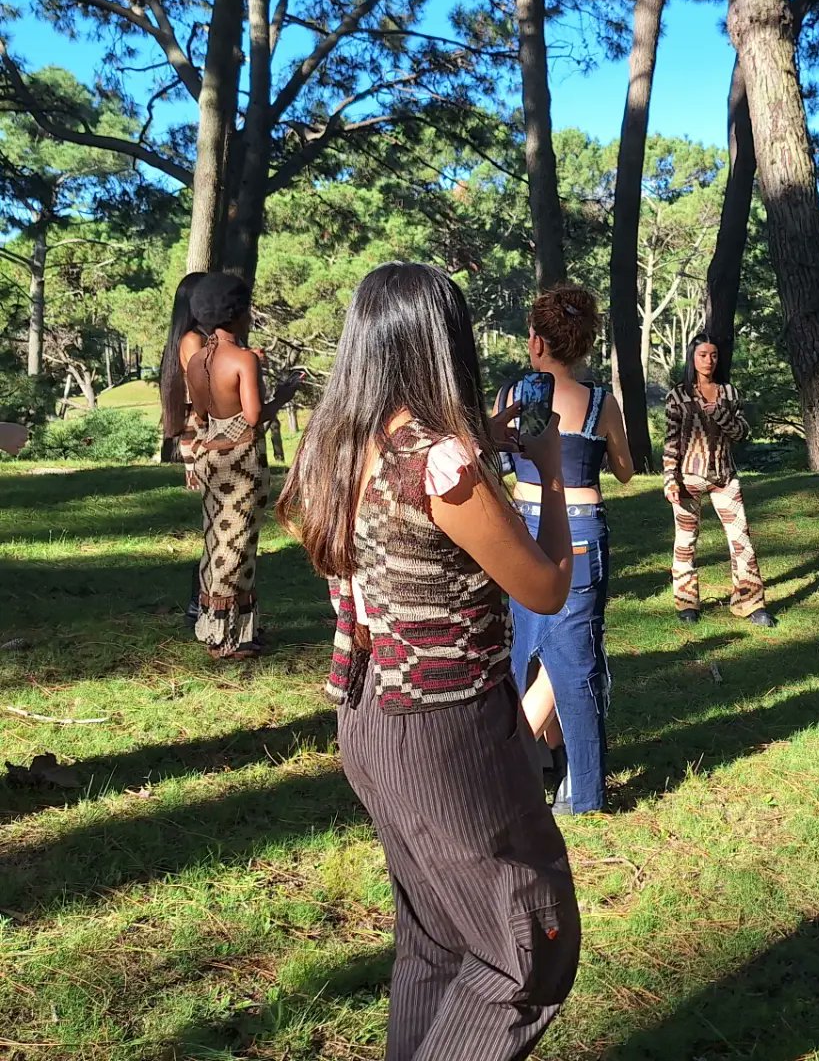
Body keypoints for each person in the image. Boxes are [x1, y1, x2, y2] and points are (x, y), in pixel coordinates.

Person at [277, 262, 580, 1061]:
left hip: (368, 714)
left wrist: (485, 437)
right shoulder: (439, 471)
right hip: (448, 731)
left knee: (439, 941)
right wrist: (547, 474)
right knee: (526, 948)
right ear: (444, 343)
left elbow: (408, 456)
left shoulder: (331, 446)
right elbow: (546, 588)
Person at [495, 285, 634, 816]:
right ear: (582, 345)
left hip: (522, 527)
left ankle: (547, 762)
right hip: (580, 528)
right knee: (573, 660)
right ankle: (529, 770)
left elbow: (511, 457)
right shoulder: (600, 401)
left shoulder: (517, 396)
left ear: (536, 341)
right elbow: (623, 470)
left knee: (526, 646)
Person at [185, 274, 299, 658]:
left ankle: (216, 626)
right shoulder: (243, 359)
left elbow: (202, 411)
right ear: (237, 315)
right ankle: (229, 638)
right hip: (242, 460)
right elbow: (253, 416)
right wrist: (282, 394)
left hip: (211, 457)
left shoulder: (199, 359)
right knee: (240, 545)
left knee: (215, 539)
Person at [662, 333, 773, 628]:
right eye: (702, 355)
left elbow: (741, 434)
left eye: (713, 355)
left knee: (741, 542)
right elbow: (671, 442)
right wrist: (670, 480)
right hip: (688, 479)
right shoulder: (678, 395)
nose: (708, 360)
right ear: (692, 358)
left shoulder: (729, 393)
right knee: (685, 543)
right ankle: (687, 604)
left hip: (725, 477)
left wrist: (722, 415)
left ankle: (751, 604)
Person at [159, 270, 209, 623]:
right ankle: (200, 599)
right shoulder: (192, 340)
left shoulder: (196, 337)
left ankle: (205, 597)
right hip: (202, 431)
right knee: (216, 523)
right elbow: (202, 390)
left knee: (216, 523)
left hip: (202, 429)